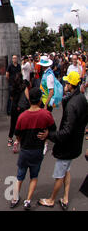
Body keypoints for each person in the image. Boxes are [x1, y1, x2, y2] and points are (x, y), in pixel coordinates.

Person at [37, 71, 88, 210]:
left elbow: (66, 131)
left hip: (67, 146)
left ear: (71, 85)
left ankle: (52, 199)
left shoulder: (72, 104)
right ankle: (65, 197)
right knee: (66, 170)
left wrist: (50, 135)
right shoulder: (82, 98)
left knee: (59, 174)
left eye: (66, 83)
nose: (64, 84)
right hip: (75, 143)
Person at [10, 88, 56, 210]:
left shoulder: (22, 116)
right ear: (40, 100)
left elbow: (18, 134)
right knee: (34, 177)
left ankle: (15, 198)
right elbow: (53, 129)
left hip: (25, 150)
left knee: (20, 176)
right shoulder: (46, 115)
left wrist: (19, 141)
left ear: (29, 100)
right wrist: (46, 134)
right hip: (38, 150)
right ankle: (28, 200)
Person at [8, 74, 30, 151]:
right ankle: (19, 140)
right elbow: (28, 97)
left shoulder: (12, 88)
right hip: (22, 107)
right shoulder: (24, 87)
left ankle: (10, 139)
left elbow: (11, 98)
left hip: (14, 106)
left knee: (13, 123)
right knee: (21, 124)